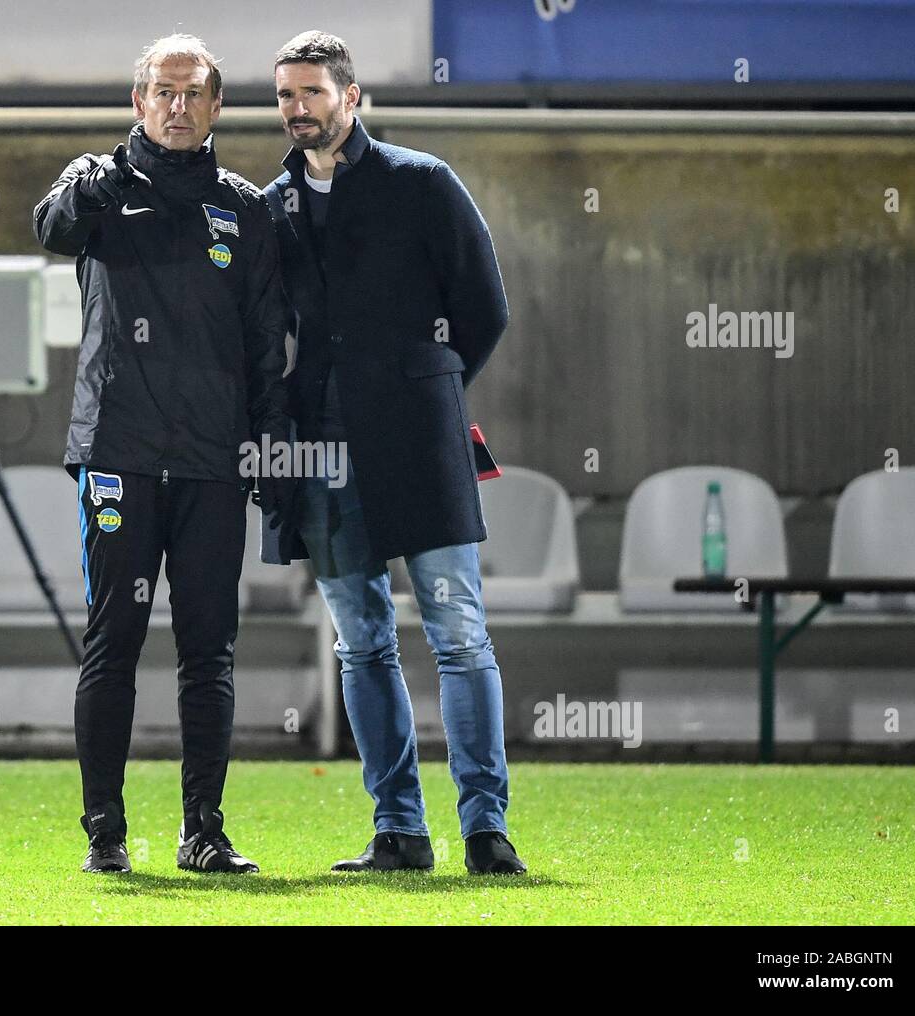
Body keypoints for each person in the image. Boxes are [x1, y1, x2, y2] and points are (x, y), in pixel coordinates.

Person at [258, 30, 527, 875]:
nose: (299, 109)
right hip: (325, 457)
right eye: (286, 96)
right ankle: (399, 833)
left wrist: (430, 389)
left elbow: (483, 309)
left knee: (458, 633)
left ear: (353, 97)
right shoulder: (273, 207)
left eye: (313, 93)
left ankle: (486, 831)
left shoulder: (424, 184)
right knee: (362, 642)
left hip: (421, 442)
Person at [33, 33, 293, 875]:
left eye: (194, 94)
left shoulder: (246, 210)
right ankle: (105, 834)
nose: (178, 107)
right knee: (114, 640)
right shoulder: (99, 187)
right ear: (138, 103)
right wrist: (103, 169)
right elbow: (50, 228)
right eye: (162, 92)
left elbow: (265, 346)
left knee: (209, 649)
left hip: (215, 461)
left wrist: (268, 449)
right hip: (120, 453)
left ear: (217, 107)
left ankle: (203, 832)